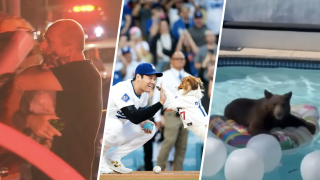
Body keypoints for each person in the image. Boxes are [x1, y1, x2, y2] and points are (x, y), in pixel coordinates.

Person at [3, 19, 102, 180]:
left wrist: (35, 122)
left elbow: (21, 81)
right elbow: (18, 117)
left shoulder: (82, 73)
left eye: (49, 42)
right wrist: (30, 120)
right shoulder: (57, 73)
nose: (42, 46)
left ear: (68, 49)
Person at [100, 63, 167, 174]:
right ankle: (100, 159)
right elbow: (134, 117)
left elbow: (140, 117)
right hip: (99, 132)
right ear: (138, 77)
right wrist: (160, 103)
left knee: (150, 129)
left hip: (114, 132)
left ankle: (113, 158)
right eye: (150, 78)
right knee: (115, 125)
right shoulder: (122, 89)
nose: (153, 82)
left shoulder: (144, 94)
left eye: (154, 79)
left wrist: (144, 121)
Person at [153, 51, 191, 171]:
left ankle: (178, 172)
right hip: (171, 113)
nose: (180, 60)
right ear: (171, 61)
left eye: (182, 58)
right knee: (168, 142)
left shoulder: (189, 77)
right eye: (177, 58)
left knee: (182, 145)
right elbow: (156, 97)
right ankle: (159, 169)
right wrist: (157, 117)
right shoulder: (164, 76)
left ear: (184, 61)